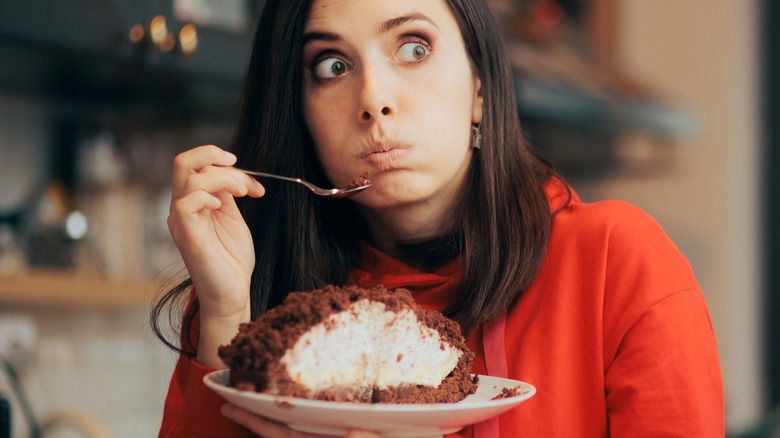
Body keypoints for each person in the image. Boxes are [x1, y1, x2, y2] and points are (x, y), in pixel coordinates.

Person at [152, 0, 725, 436]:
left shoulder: (616, 262)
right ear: (298, 110)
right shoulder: (261, 296)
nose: (373, 99)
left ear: (479, 87)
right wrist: (226, 312)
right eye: (332, 64)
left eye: (414, 48)